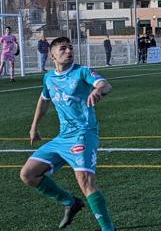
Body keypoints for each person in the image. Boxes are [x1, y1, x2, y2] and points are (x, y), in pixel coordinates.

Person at [19, 37, 117, 230]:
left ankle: (109, 229)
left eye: (70, 48)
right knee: (28, 174)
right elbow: (44, 100)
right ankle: (70, 202)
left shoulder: (82, 72)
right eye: (63, 49)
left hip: (84, 133)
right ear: (52, 55)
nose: (69, 51)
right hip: (63, 137)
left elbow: (105, 84)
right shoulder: (48, 78)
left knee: (85, 180)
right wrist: (34, 127)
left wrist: (98, 91)